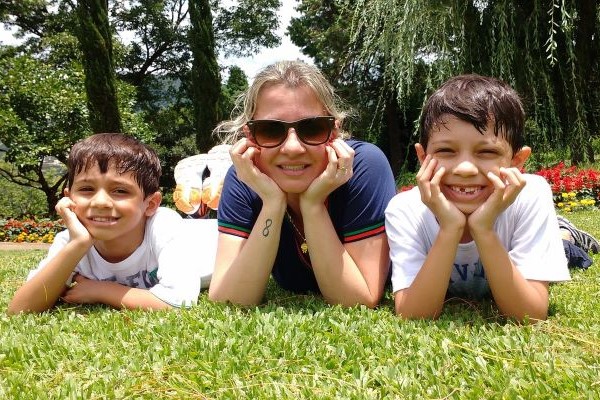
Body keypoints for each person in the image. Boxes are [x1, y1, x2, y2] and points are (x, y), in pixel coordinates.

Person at [208, 60, 396, 308]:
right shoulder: (244, 179)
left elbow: (359, 300)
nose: (293, 148)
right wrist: (272, 202)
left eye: (313, 128)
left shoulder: (363, 167)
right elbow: (229, 301)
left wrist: (313, 204)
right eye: (270, 130)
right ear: (250, 136)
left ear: (334, 131)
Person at [385, 74, 571, 322]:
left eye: (487, 151)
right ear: (422, 157)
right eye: (445, 150)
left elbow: (530, 315)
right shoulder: (404, 209)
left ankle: (568, 233)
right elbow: (414, 315)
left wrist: (483, 229)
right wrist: (450, 228)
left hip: (542, 236)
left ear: (516, 161)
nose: (465, 169)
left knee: (570, 251)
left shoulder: (531, 194)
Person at [8, 133, 210, 314]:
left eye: (120, 191)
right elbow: (20, 310)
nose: (101, 202)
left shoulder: (164, 226)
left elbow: (179, 303)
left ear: (150, 204)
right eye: (87, 189)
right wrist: (78, 245)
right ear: (69, 198)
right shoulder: (70, 241)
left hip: (215, 240)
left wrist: (100, 290)